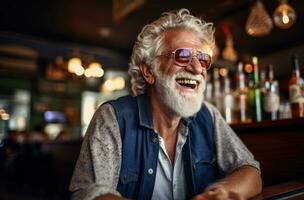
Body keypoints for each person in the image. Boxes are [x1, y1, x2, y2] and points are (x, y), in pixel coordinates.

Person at [69, 8, 262, 200]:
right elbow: (89, 193)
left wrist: (221, 194)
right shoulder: (113, 118)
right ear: (149, 72)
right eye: (182, 55)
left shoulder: (208, 115)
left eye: (202, 59)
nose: (196, 68)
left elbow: (250, 171)